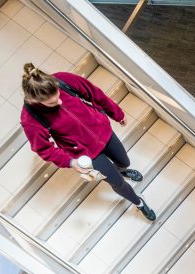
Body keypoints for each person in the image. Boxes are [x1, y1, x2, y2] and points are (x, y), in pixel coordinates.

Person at [20, 63, 156, 221]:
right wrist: (70, 162)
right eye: (51, 103)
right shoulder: (30, 118)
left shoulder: (63, 79)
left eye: (58, 94)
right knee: (117, 183)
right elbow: (44, 149)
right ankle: (138, 202)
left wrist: (116, 113)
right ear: (34, 100)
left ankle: (123, 170)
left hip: (102, 130)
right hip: (85, 152)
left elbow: (94, 93)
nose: (59, 102)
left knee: (124, 161)